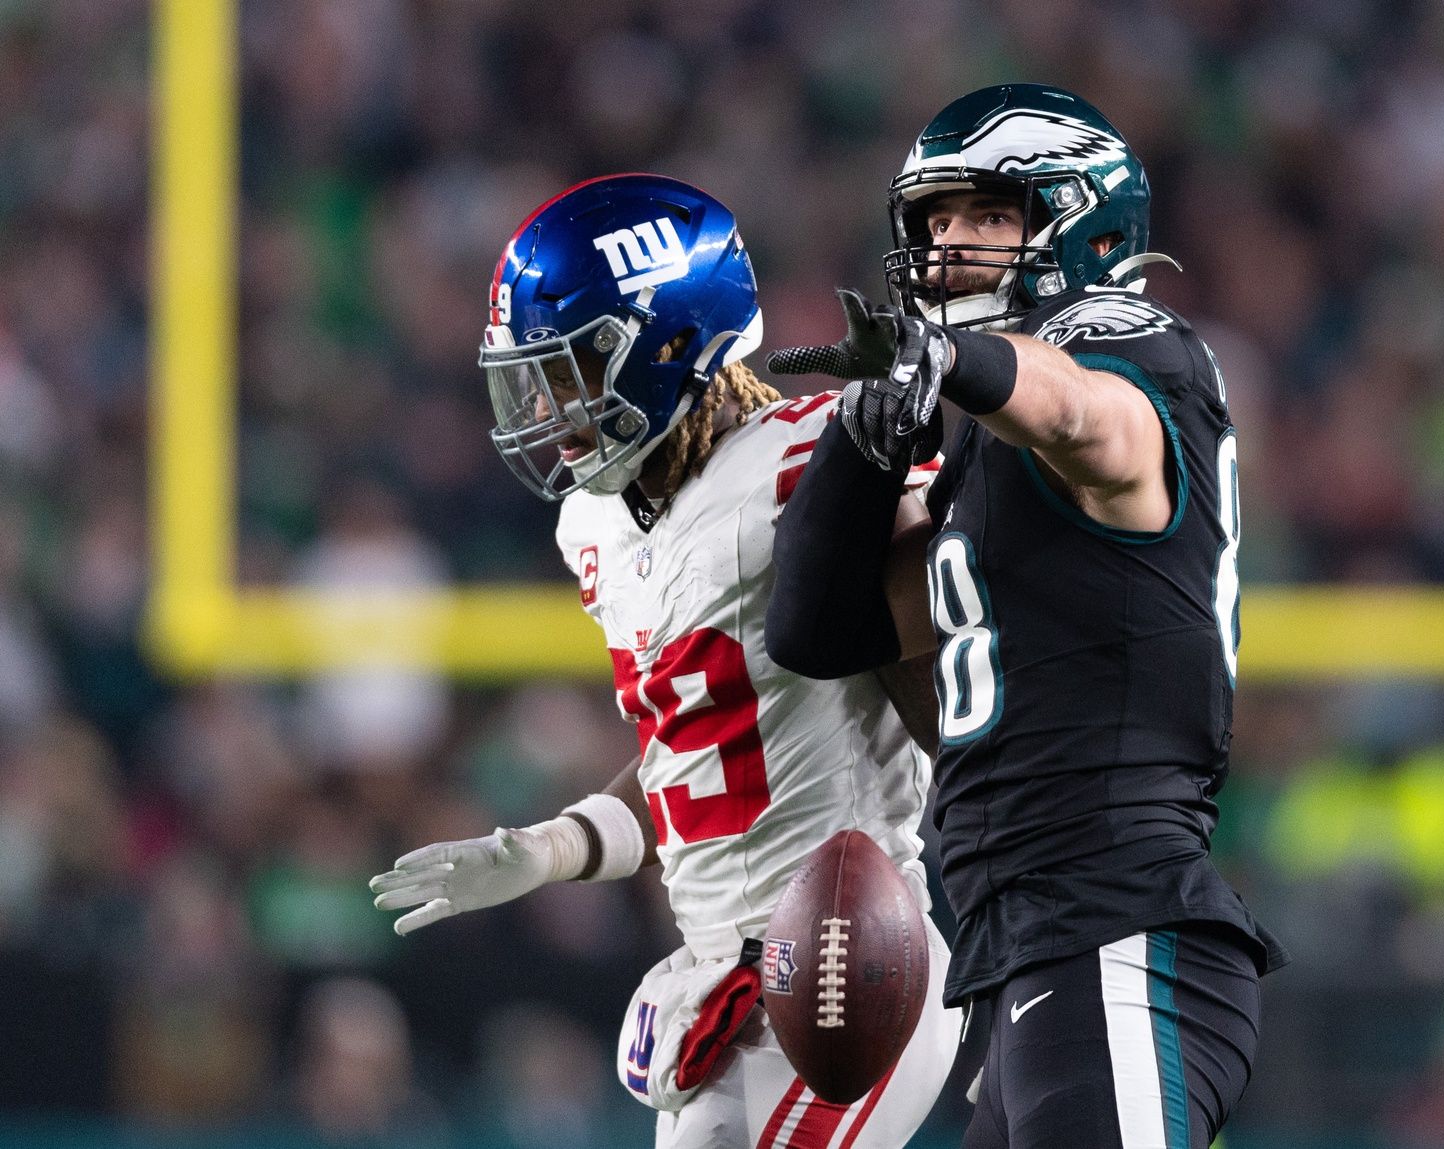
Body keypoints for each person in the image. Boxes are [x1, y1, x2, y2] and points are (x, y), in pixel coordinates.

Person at [368, 174, 959, 1149]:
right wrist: (552, 848)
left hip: (848, 950)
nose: (544, 409)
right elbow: (697, 750)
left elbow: (948, 694)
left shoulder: (809, 463)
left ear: (660, 345)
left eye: (563, 373)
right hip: (724, 978)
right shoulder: (596, 522)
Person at [764, 85, 1288, 1149]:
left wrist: (953, 363)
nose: (949, 244)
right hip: (1020, 962)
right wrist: (865, 436)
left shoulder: (1135, 352)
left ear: (1074, 217)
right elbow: (820, 631)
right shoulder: (975, 451)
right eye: (935, 221)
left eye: (986, 216)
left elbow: (1079, 409)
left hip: (1120, 933)